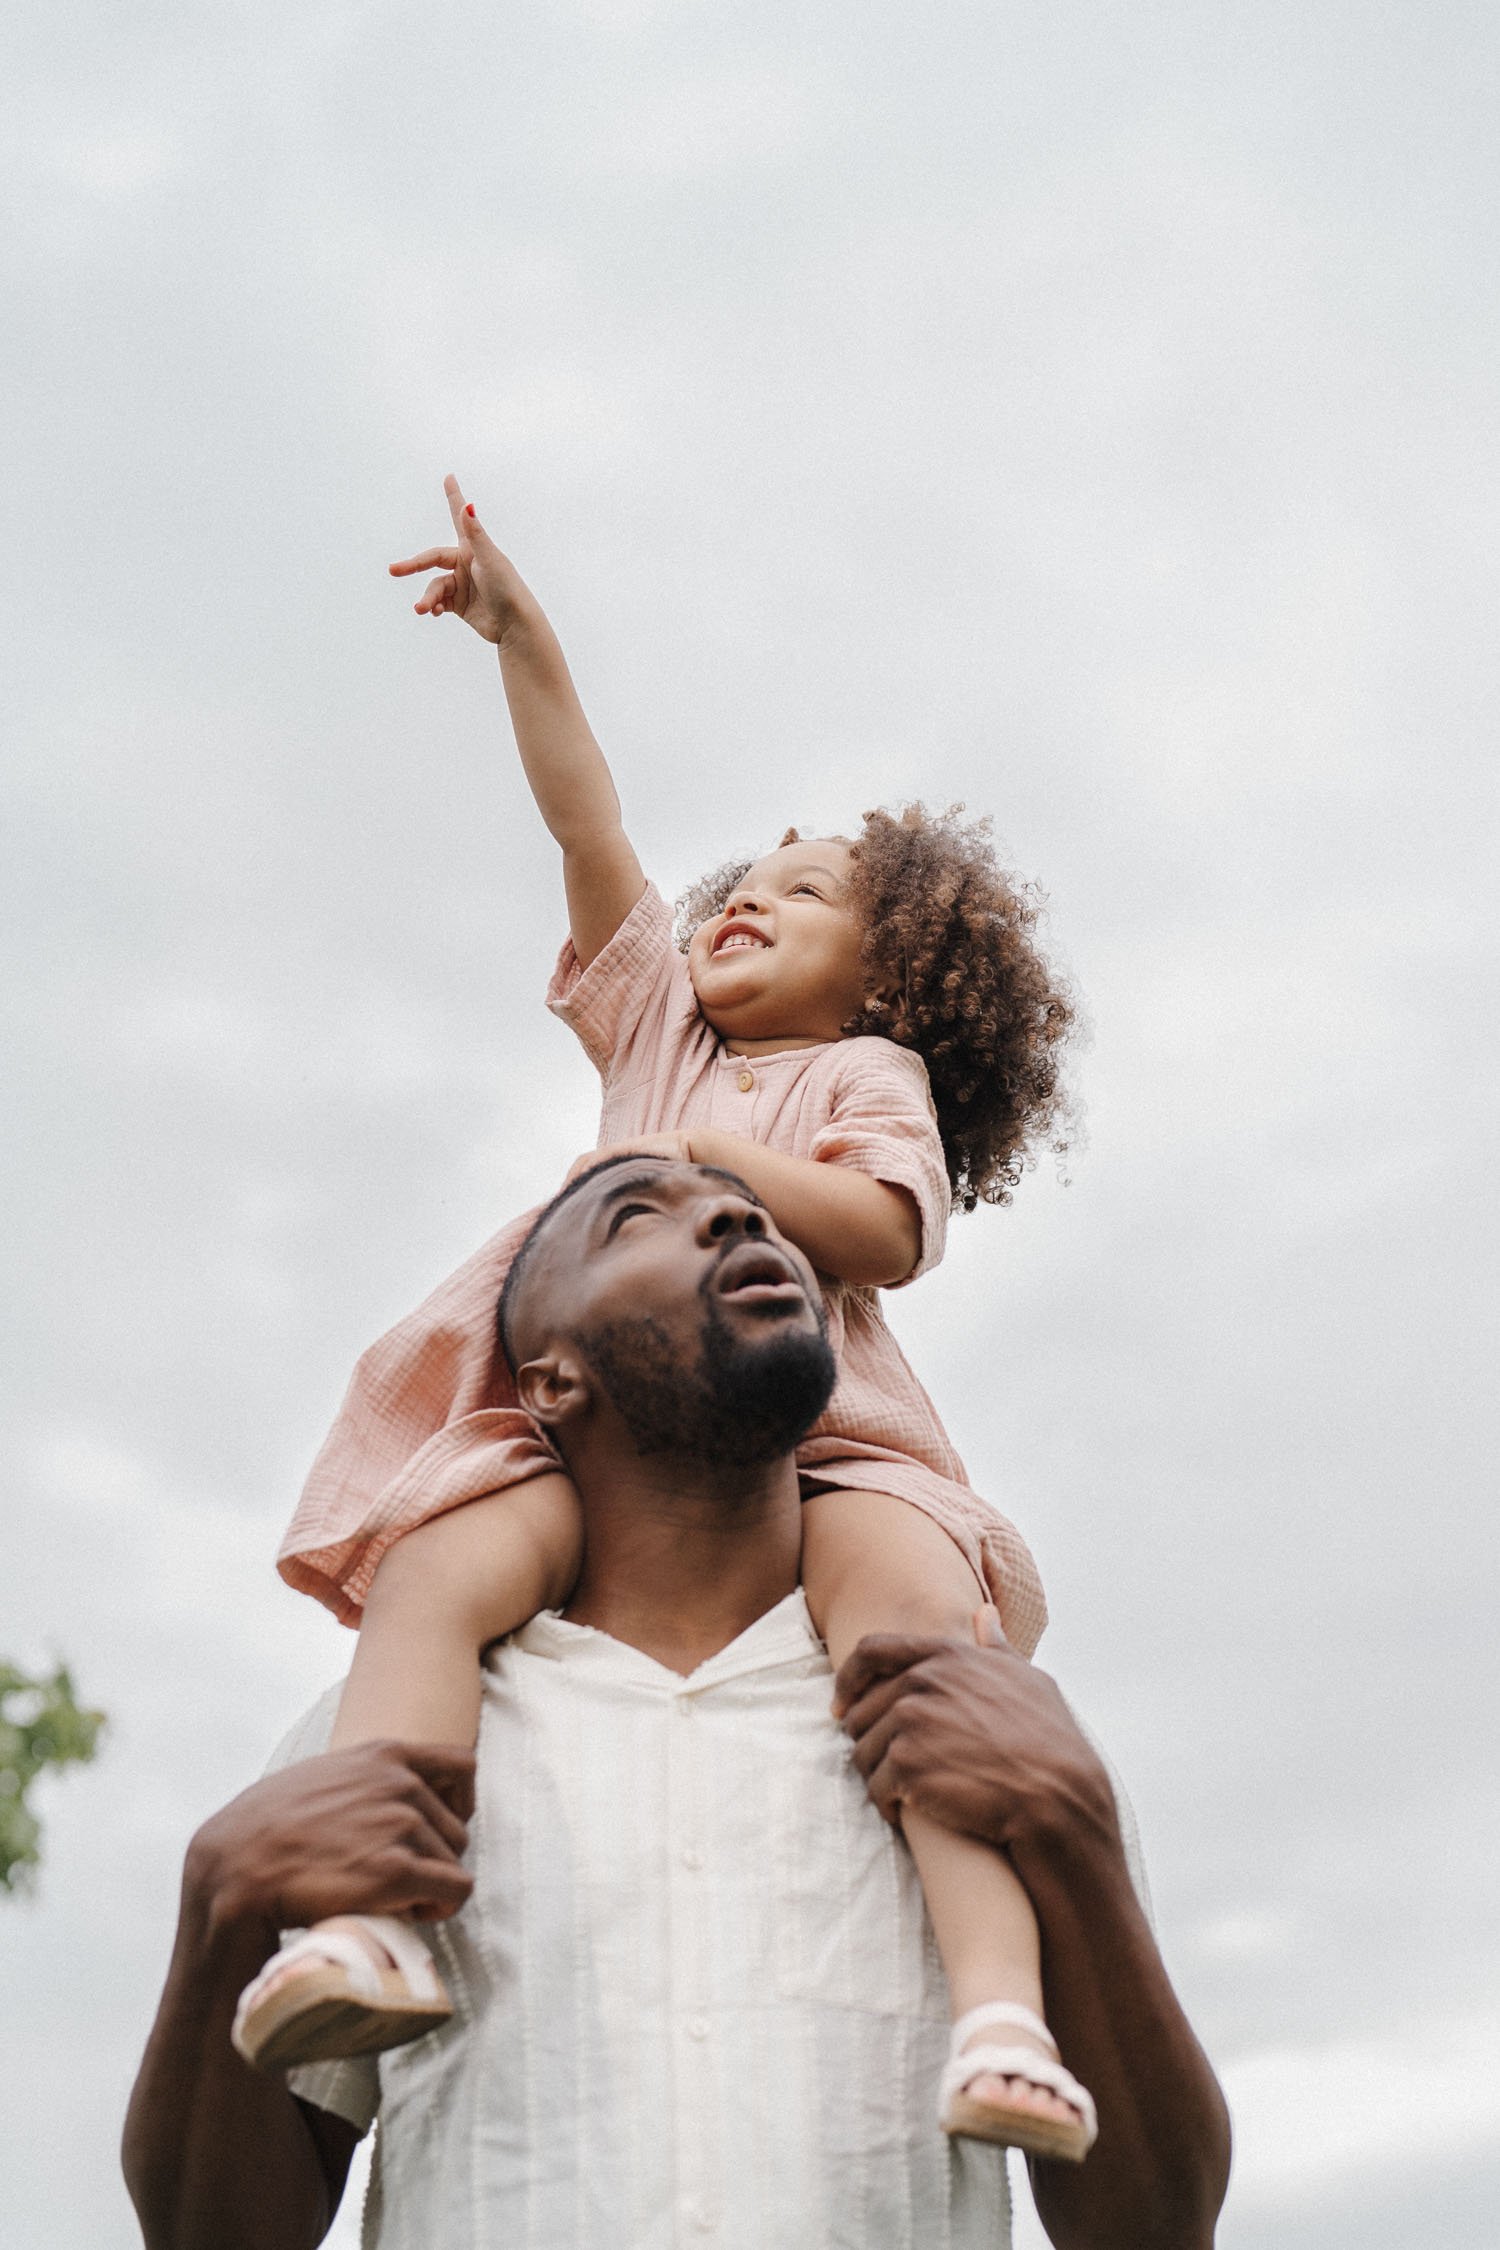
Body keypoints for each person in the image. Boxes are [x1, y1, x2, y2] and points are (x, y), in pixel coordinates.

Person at [245, 475, 1085, 2156]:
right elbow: (586, 824)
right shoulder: (660, 1040)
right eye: (734, 885)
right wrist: (520, 633)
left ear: (894, 972)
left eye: (804, 891)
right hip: (600, 1421)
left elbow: (889, 1237)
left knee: (912, 1644)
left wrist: (711, 1159)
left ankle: (1001, 2009)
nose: (739, 900)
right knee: (437, 1580)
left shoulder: (860, 1072)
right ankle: (378, 1917)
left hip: (828, 1446)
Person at [122, 1159, 1231, 2250]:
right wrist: (219, 1921)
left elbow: (1154, 2228)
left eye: (745, 1211)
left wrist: (1075, 1835)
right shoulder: (381, 1733)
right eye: (637, 1218)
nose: (741, 1213)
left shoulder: (984, 1727)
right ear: (550, 1382)